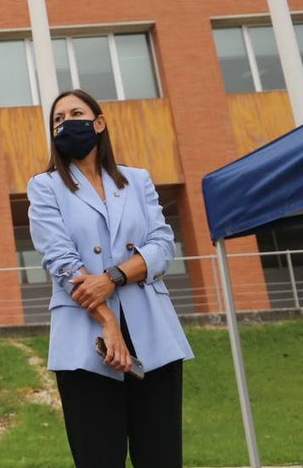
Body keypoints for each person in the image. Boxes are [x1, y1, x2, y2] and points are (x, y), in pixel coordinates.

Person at [27, 89, 193, 468]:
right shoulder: (45, 186)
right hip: (86, 342)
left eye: (75, 113)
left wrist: (113, 276)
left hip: (153, 335)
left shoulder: (137, 180)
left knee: (162, 455)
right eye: (57, 119)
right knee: (98, 456)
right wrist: (108, 323)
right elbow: (62, 261)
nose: (66, 122)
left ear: (98, 123)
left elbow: (162, 246)